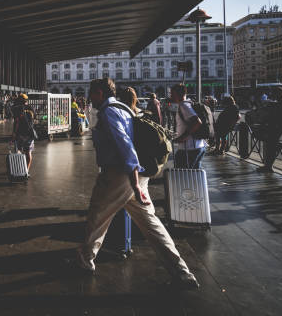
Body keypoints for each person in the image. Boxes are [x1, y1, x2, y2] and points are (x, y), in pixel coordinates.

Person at [70, 78, 199, 289]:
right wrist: (137, 181)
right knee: (150, 223)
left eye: (92, 93)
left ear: (100, 93)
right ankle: (182, 271)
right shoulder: (124, 108)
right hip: (135, 175)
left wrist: (133, 181)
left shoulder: (109, 112)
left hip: (119, 175)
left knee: (97, 215)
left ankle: (84, 261)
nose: (90, 98)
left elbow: (125, 145)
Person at [171, 84, 205, 169]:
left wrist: (183, 137)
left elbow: (197, 122)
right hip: (197, 146)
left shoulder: (184, 105)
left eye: (172, 93)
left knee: (183, 177)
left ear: (177, 94)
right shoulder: (188, 104)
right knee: (194, 177)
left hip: (189, 149)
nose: (171, 96)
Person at [257, 87, 282, 173]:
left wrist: (264, 121)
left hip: (277, 128)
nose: (273, 95)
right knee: (270, 146)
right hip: (278, 127)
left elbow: (276, 116)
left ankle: (268, 166)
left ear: (280, 93)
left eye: (274, 93)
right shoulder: (281, 102)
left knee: (271, 147)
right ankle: (267, 165)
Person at [11, 94, 35, 173]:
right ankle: (26, 170)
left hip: (20, 133)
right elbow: (33, 120)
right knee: (28, 152)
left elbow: (17, 122)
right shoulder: (31, 109)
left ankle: (19, 168)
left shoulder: (18, 109)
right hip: (29, 133)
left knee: (18, 150)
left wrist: (14, 133)